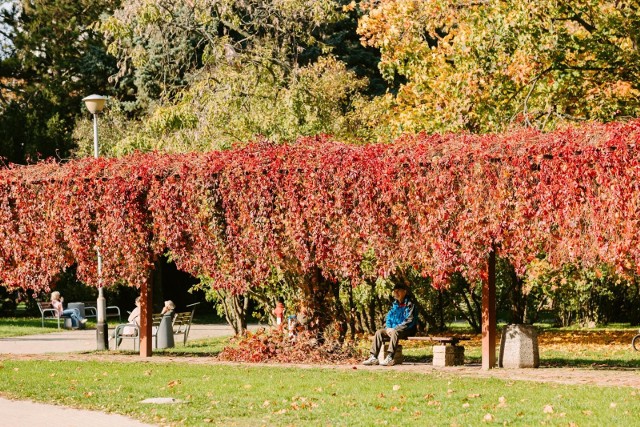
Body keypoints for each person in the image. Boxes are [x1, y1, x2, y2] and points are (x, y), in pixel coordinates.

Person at [362, 283, 417, 366]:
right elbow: (388, 318)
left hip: (407, 329)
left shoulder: (410, 305)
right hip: (393, 329)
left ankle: (390, 357)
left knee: (395, 332)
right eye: (395, 291)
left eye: (398, 291)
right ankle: (373, 357)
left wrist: (395, 328)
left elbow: (410, 321)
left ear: (405, 292)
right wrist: (388, 328)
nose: (396, 293)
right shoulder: (395, 304)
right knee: (379, 332)